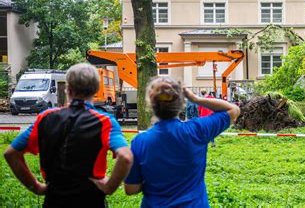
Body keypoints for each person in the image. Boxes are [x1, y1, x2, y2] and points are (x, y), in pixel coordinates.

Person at [3, 63, 133, 207]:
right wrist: (109, 187)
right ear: (96, 90)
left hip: (54, 198)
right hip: (91, 198)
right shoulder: (105, 121)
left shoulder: (45, 118)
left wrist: (35, 186)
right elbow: (126, 157)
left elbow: (11, 153)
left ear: (67, 89)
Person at [124, 77, 240, 207]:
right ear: (181, 103)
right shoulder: (197, 130)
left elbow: (131, 189)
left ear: (151, 103)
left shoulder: (140, 142)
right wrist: (196, 99)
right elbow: (234, 110)